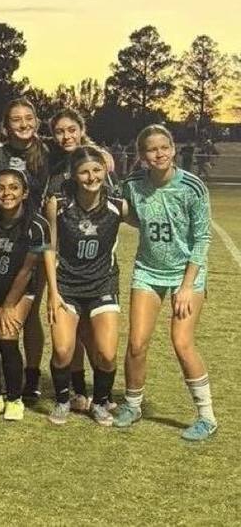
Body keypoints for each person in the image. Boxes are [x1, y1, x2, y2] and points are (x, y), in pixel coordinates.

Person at [115, 125, 218, 441]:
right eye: (151, 149)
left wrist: (187, 286)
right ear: (142, 155)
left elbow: (202, 238)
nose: (158, 154)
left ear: (173, 149)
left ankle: (206, 416)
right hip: (148, 270)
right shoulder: (132, 184)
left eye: (164, 147)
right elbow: (131, 216)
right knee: (136, 343)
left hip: (186, 274)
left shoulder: (192, 187)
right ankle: (133, 406)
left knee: (182, 342)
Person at [43, 146, 125, 426]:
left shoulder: (117, 203)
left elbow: (148, 221)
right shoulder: (60, 203)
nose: (92, 177)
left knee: (107, 353)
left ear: (105, 171)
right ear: (74, 175)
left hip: (103, 283)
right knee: (63, 349)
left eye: (97, 170)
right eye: (85, 172)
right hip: (66, 285)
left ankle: (101, 402)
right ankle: (63, 399)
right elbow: (49, 248)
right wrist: (52, 293)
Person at [0, 169, 50, 421]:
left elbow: (27, 270)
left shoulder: (37, 225)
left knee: (7, 332)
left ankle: (14, 400)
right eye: (0, 188)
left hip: (21, 290)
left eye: (14, 188)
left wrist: (7, 307)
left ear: (25, 193)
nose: (7, 193)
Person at [0, 98, 50, 403]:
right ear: (5, 125)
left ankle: (32, 375)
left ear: (37, 121)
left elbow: (79, 150)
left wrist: (100, 150)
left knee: (30, 312)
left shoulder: (47, 151)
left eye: (29, 118)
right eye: (16, 119)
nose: (23, 124)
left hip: (31, 239)